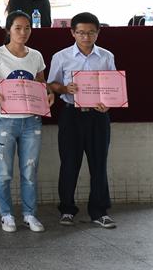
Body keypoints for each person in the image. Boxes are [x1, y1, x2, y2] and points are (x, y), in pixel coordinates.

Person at [0, 11, 53, 233]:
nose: (23, 32)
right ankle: (6, 215)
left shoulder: (36, 56)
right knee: (4, 172)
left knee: (29, 171)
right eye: (18, 28)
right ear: (8, 30)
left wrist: (49, 95)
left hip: (31, 121)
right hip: (4, 120)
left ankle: (29, 214)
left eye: (27, 28)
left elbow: (41, 83)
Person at [47, 12, 118, 229]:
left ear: (98, 32)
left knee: (99, 164)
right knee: (69, 164)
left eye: (90, 33)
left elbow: (113, 86)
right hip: (71, 115)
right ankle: (67, 210)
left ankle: (99, 211)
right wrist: (64, 88)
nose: (85, 37)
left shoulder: (106, 56)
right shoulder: (61, 56)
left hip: (98, 116)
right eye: (80, 33)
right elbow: (51, 84)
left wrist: (108, 103)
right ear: (72, 33)